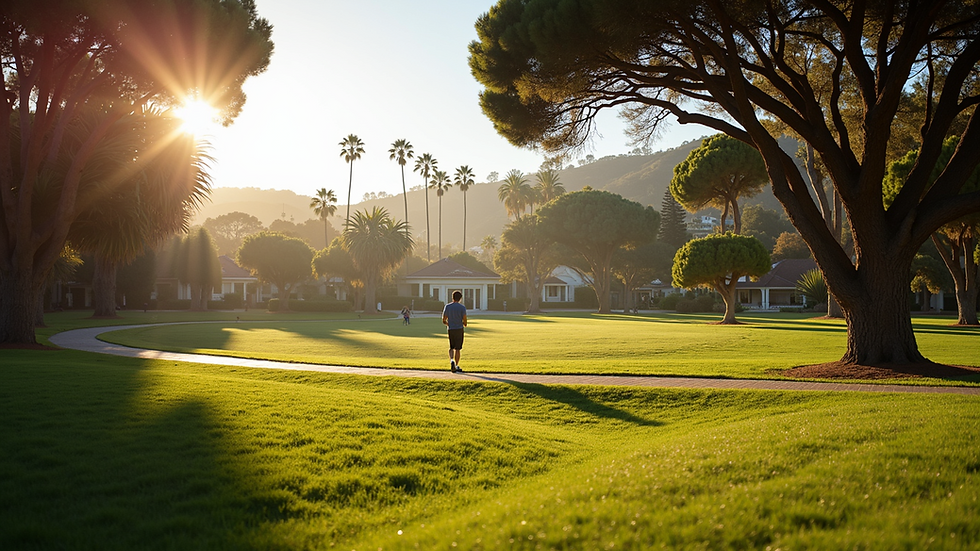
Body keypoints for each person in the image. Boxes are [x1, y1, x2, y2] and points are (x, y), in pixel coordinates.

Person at [442, 290, 467, 373]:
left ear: (452, 297)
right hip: (459, 329)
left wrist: (448, 324)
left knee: (451, 347)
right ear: (460, 298)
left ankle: (451, 360)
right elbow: (464, 319)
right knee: (458, 349)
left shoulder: (448, 307)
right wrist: (465, 324)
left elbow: (444, 319)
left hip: (451, 329)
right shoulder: (462, 307)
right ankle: (456, 365)